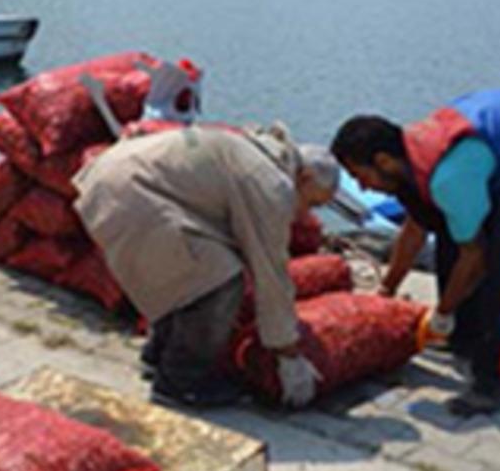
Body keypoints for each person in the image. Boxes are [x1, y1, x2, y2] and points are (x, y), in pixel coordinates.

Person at [330, 89, 500, 416]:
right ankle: (465, 337)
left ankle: (496, 378)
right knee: (453, 223)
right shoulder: (410, 162)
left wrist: (442, 311)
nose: (361, 188)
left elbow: (473, 258)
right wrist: (386, 290)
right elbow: (414, 230)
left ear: (383, 161)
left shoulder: (449, 177)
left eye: (359, 177)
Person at [73, 124, 340, 408]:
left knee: (194, 267)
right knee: (221, 281)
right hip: (132, 195)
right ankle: (181, 382)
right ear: (305, 176)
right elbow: (271, 271)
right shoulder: (273, 185)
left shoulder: (253, 151)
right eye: (311, 202)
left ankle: (159, 356)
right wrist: (287, 351)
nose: (304, 213)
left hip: (111, 178)